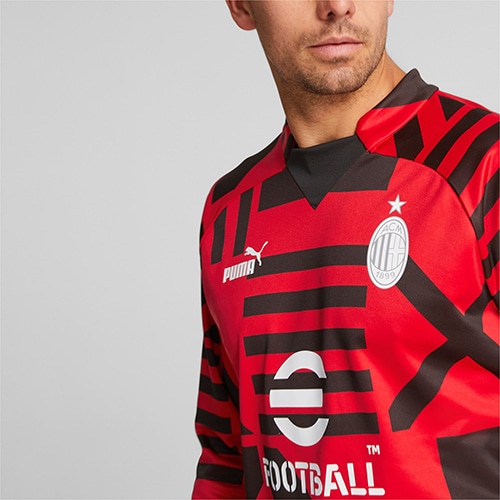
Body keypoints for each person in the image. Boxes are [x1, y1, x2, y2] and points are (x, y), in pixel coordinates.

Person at [192, 1, 499, 498]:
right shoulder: (229, 212)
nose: (336, 5)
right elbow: (225, 460)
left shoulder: (483, 165)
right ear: (242, 6)